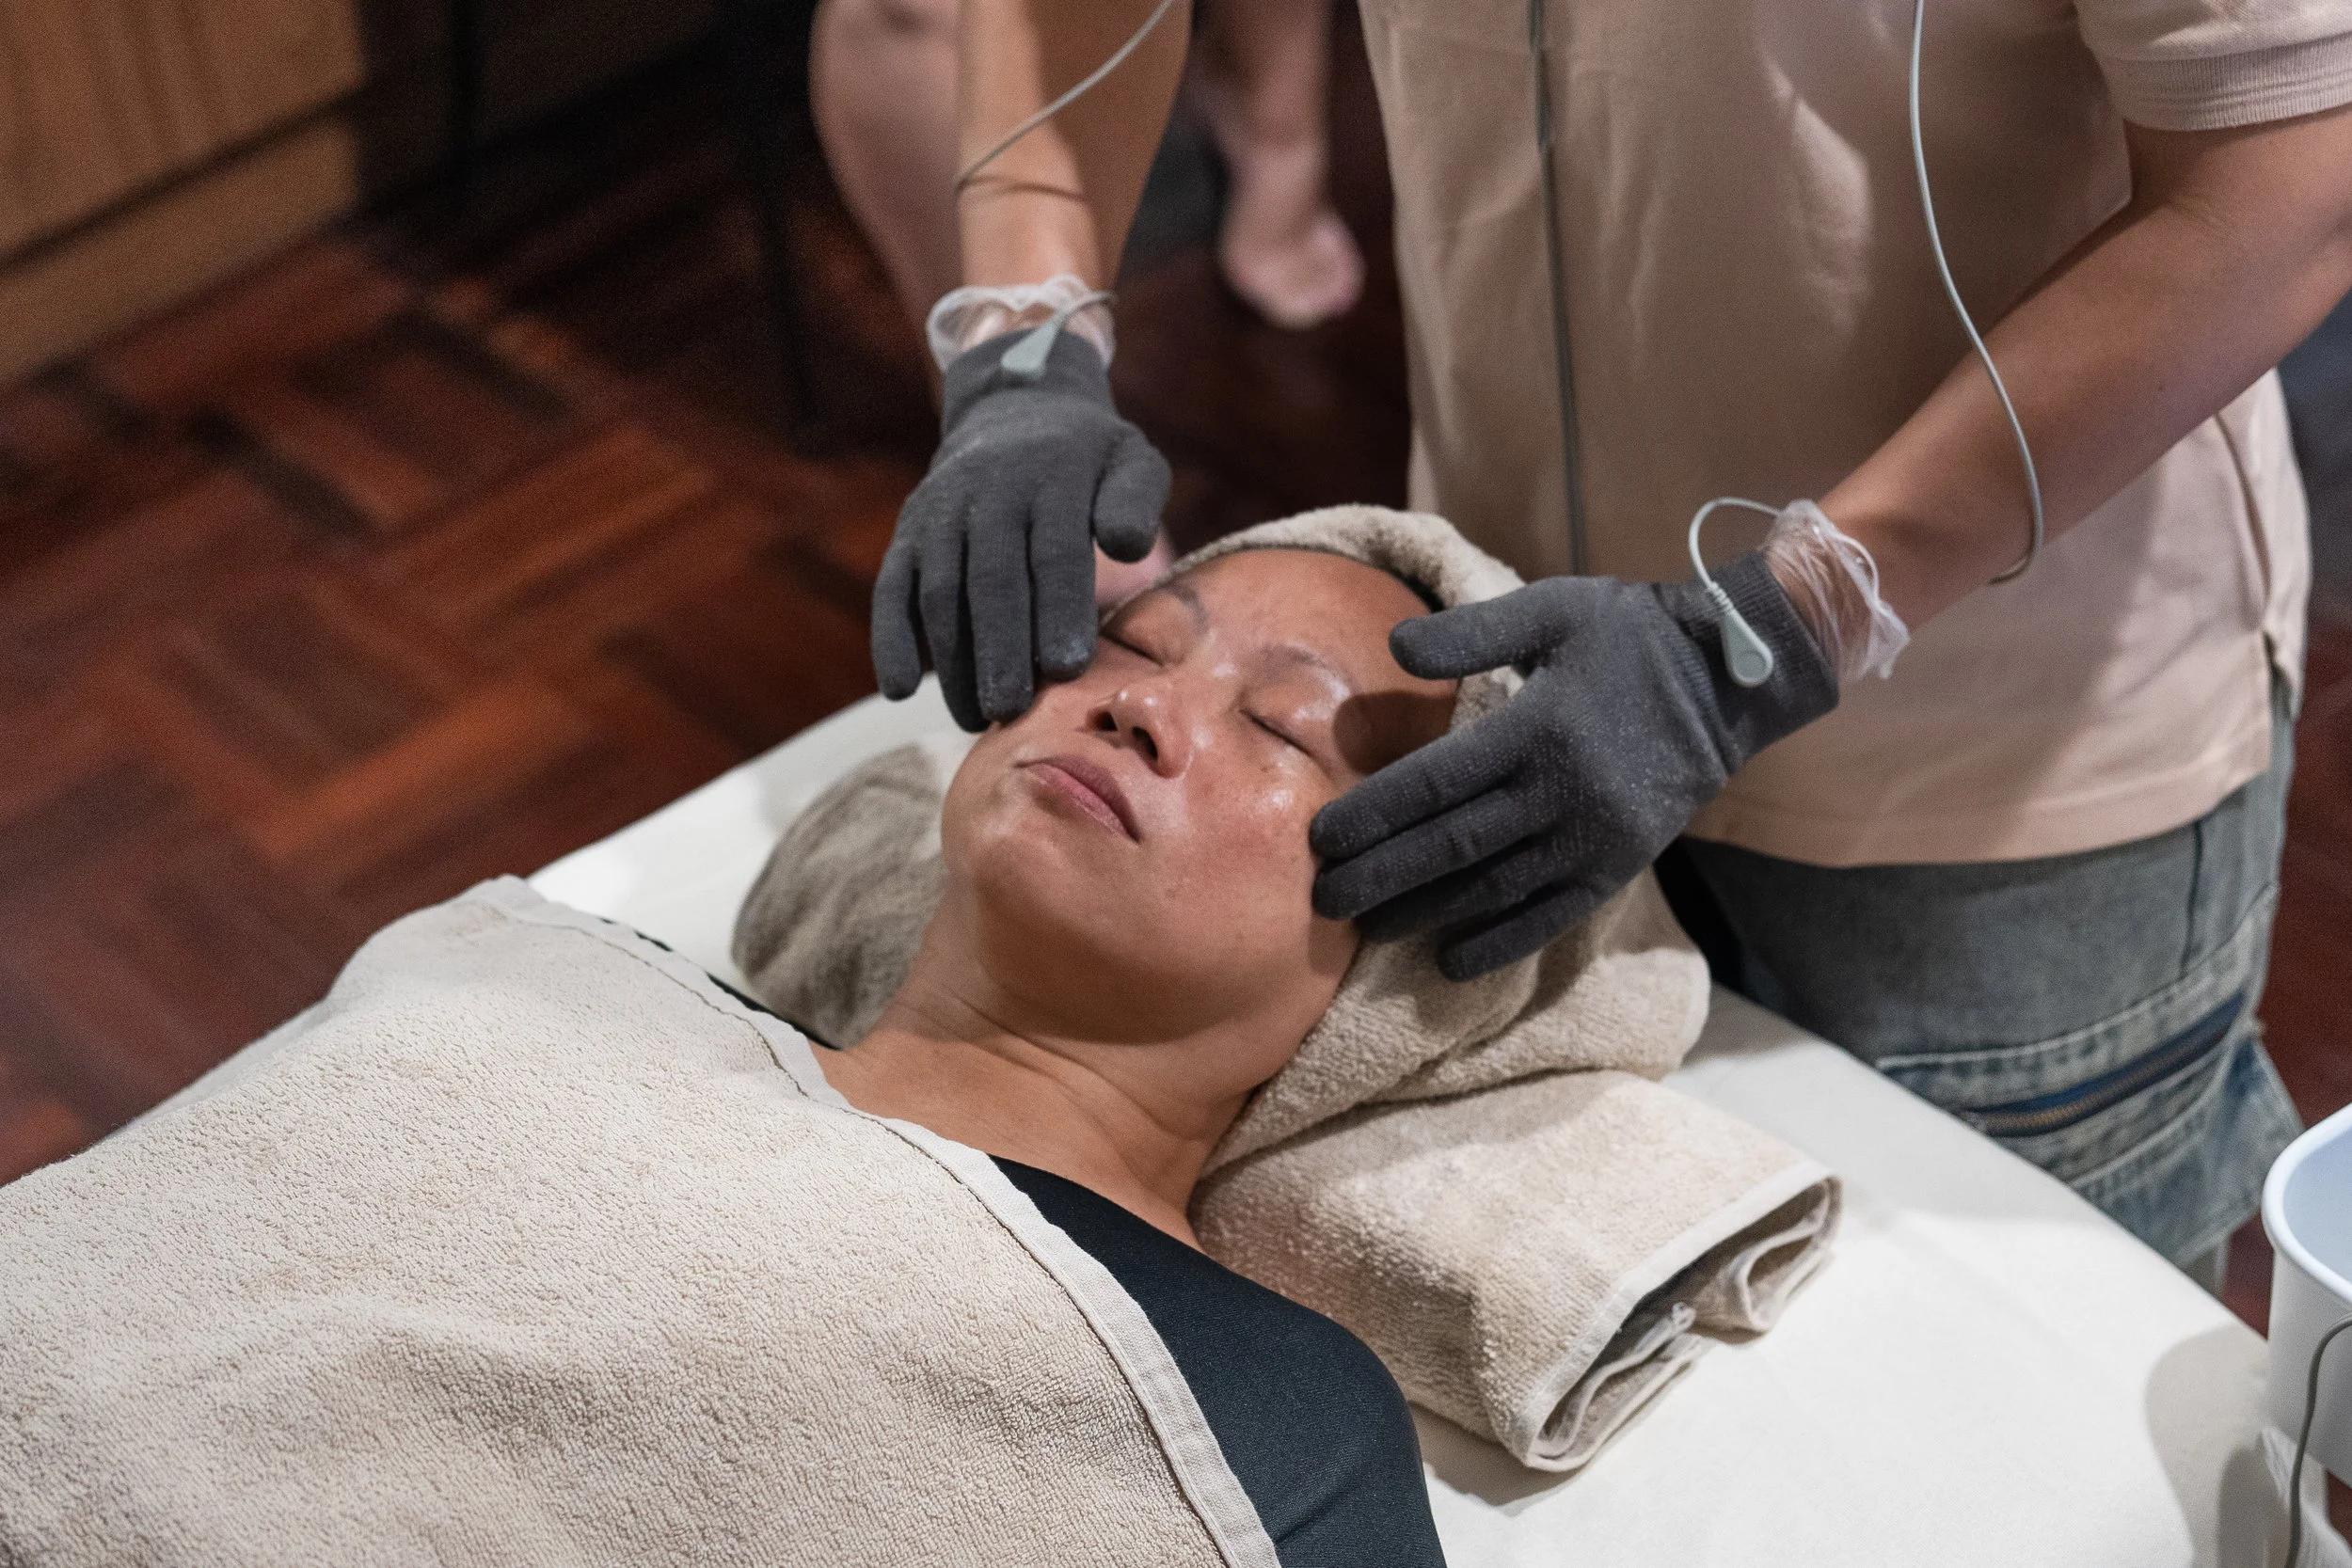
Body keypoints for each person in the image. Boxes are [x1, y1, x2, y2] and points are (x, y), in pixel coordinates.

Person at [866, 0, 2352, 1285]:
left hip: (1989, 766)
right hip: (1509, 695)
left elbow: (2291, 170)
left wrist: (1795, 614)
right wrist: (1022, 331)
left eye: (1275, 716)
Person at [819, 545, 1454, 1566]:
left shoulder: (1270, 1428)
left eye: (1280, 725)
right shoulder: (601, 992)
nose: (1142, 703)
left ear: (1381, 974)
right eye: (1130, 643)